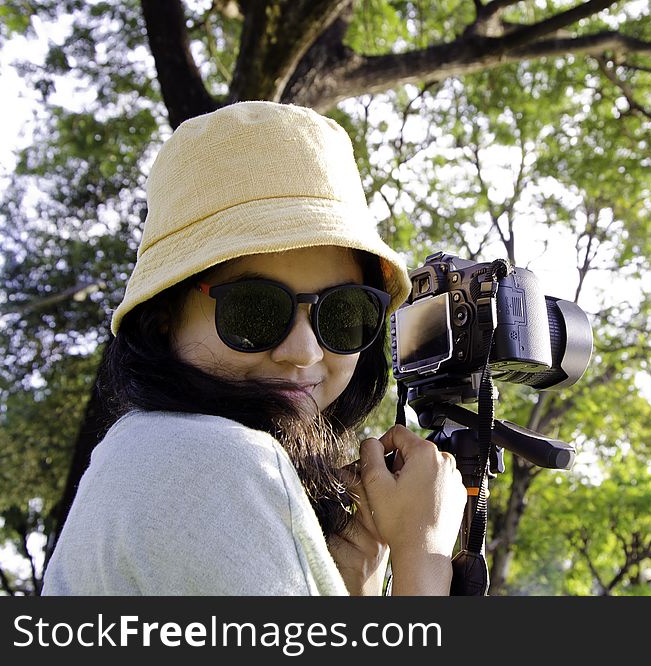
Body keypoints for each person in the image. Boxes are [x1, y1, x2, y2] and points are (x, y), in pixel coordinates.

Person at [42, 102, 467, 596]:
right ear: (162, 320)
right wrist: (423, 556)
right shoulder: (215, 462)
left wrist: (357, 583)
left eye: (343, 312)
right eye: (255, 312)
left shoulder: (136, 453)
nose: (304, 351)